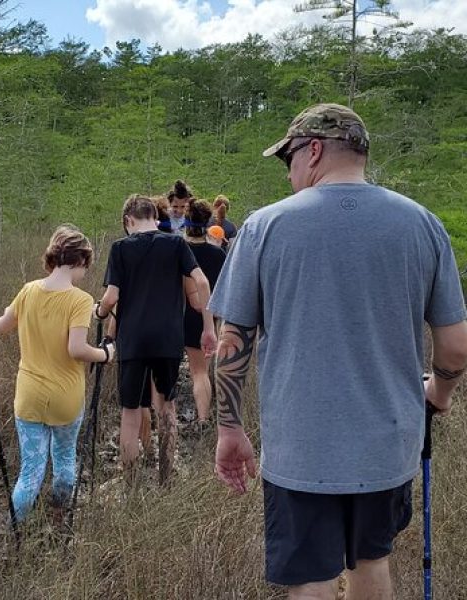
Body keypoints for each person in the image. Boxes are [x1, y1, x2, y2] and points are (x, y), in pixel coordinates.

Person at [208, 103, 467, 600]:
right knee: (372, 563)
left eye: (288, 162)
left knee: (311, 578)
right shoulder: (423, 225)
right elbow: (455, 347)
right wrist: (440, 391)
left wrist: (229, 427)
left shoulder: (264, 227)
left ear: (314, 150)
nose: (289, 176)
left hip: (301, 449)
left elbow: (231, 343)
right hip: (389, 447)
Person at [0, 224, 114, 526]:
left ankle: (15, 533)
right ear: (80, 261)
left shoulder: (28, 290)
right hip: (66, 398)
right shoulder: (80, 300)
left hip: (29, 397)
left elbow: (0, 327)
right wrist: (105, 354)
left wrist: (14, 309)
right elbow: (76, 349)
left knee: (30, 472)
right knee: (64, 460)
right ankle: (60, 521)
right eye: (87, 264)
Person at [96, 195, 216, 487]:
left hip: (133, 340)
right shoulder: (176, 244)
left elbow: (112, 297)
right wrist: (208, 328)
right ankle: (166, 478)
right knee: (167, 407)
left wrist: (99, 312)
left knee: (130, 412)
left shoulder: (120, 249)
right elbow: (201, 282)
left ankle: (131, 484)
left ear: (128, 221)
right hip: (167, 339)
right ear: (154, 216)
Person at [182, 199, 226, 428]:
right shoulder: (218, 254)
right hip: (210, 315)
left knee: (194, 369)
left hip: (183, 314)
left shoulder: (180, 250)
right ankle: (203, 419)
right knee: (202, 370)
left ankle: (168, 417)